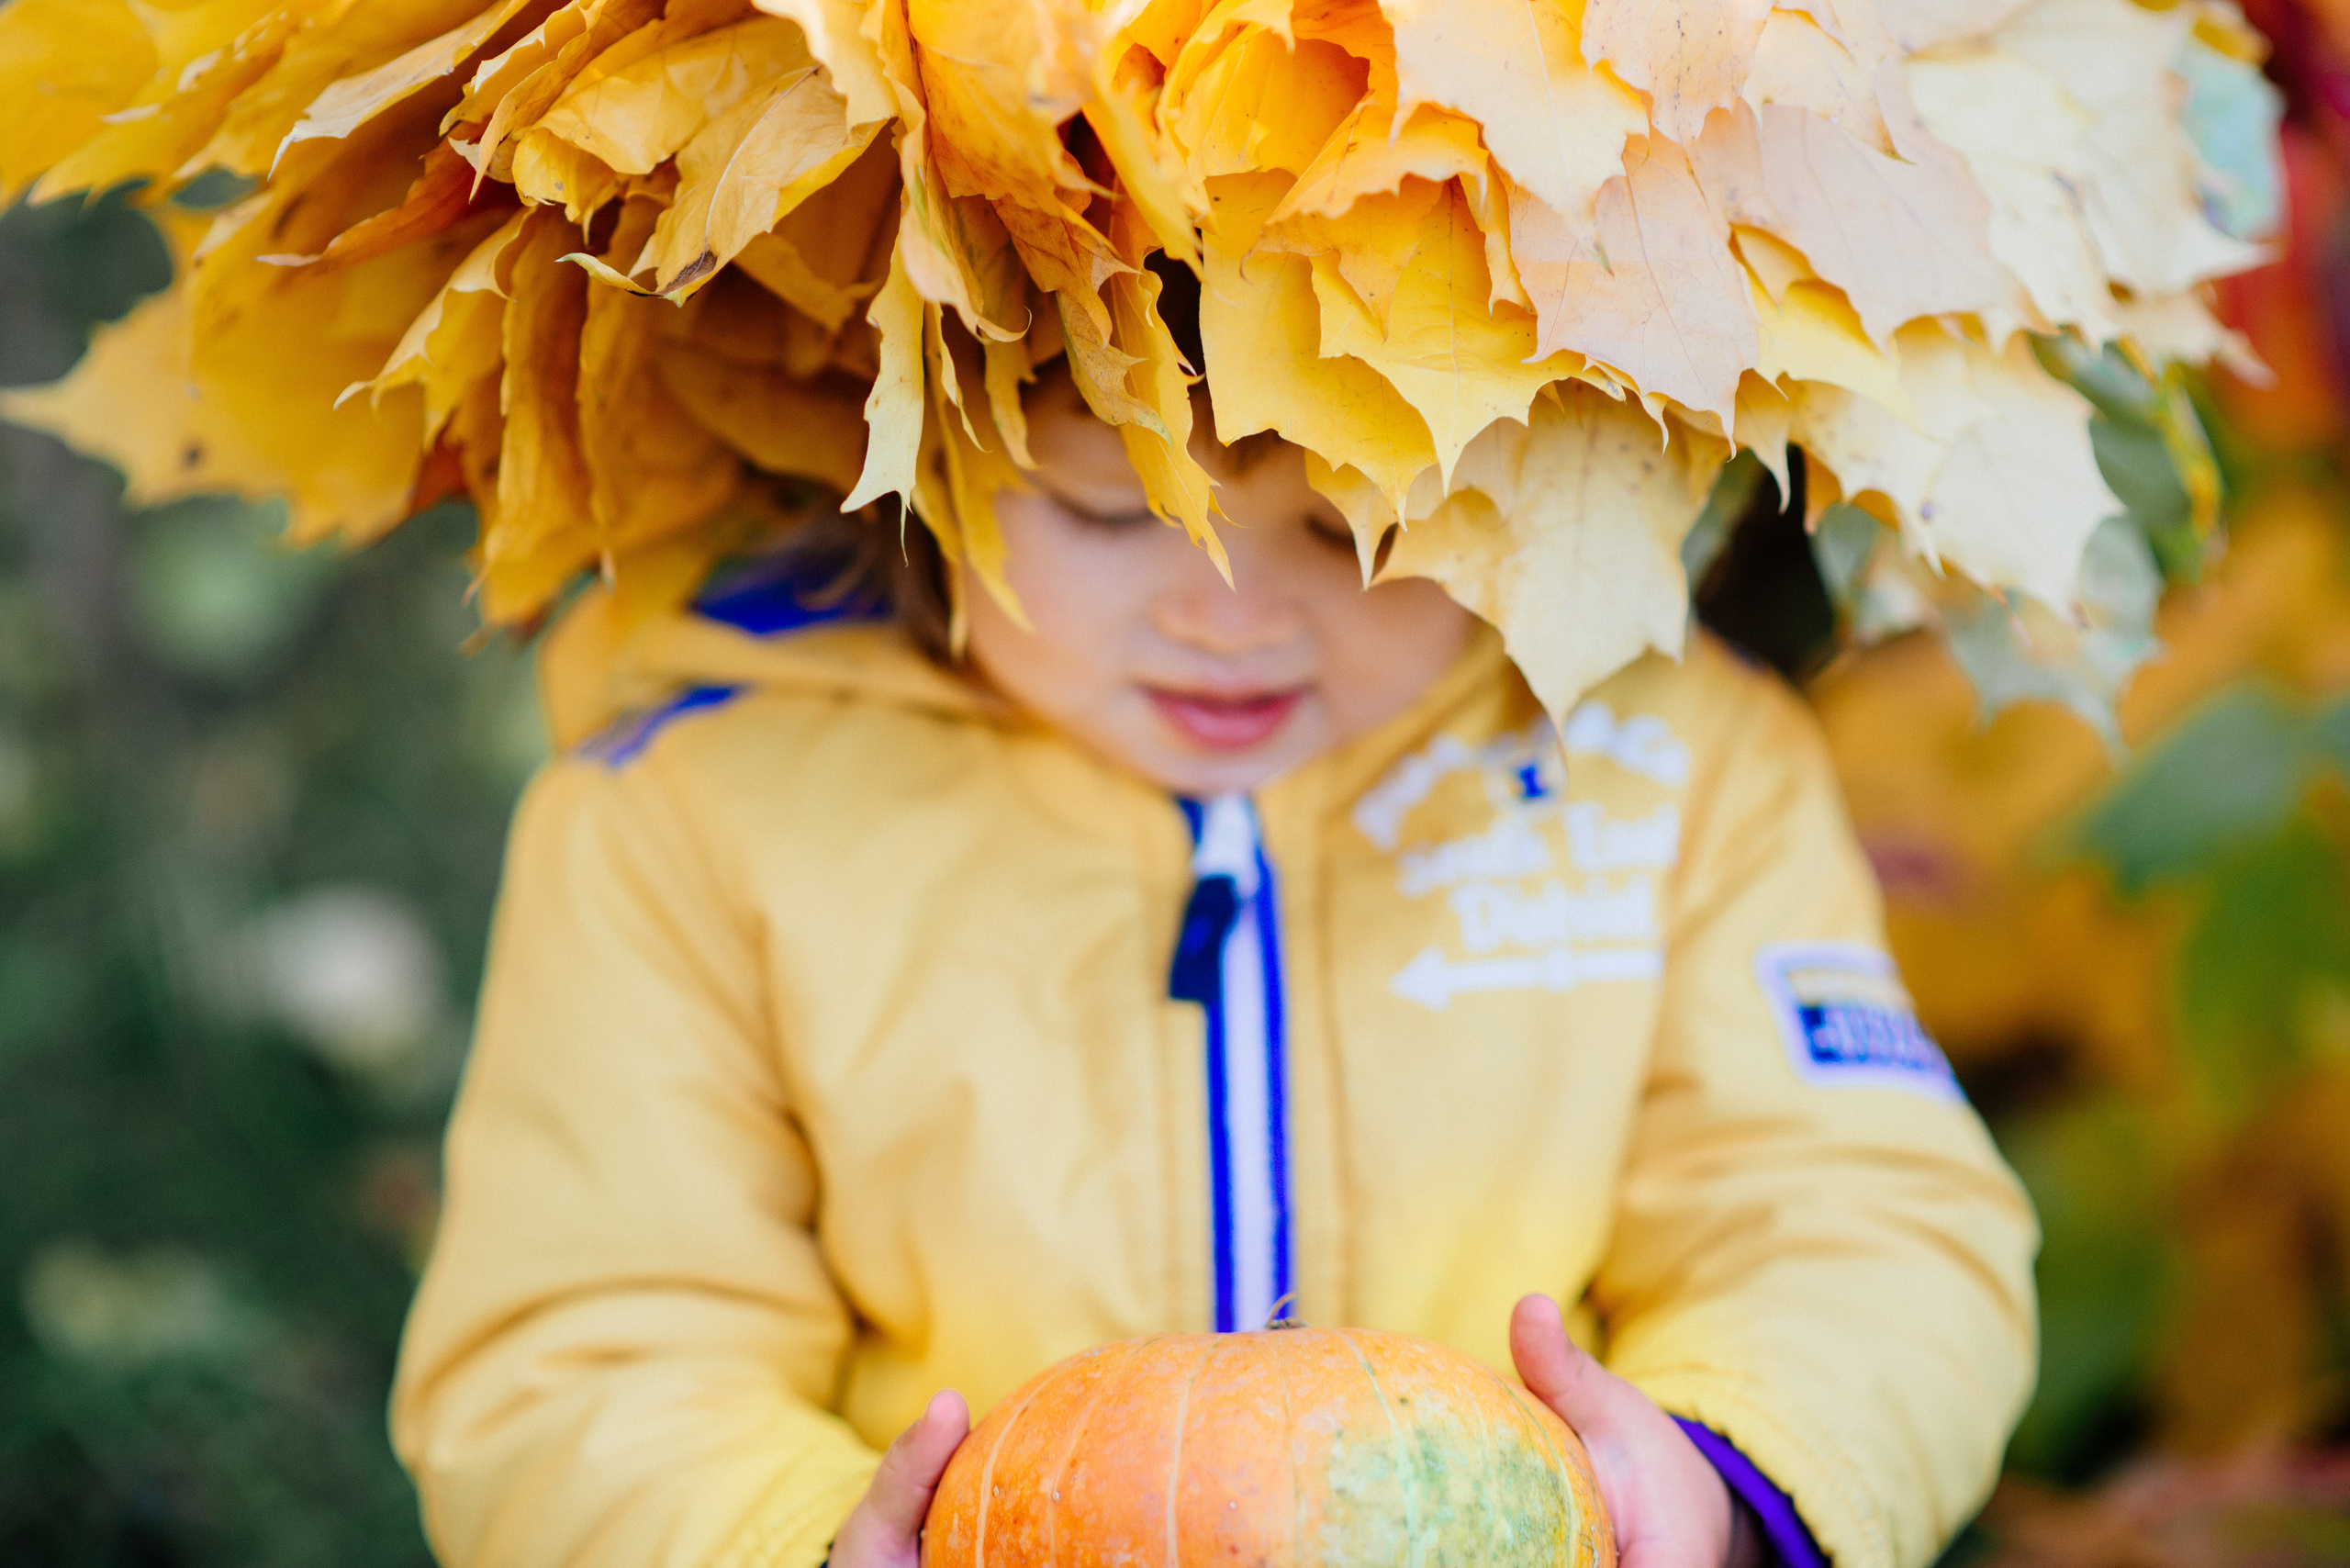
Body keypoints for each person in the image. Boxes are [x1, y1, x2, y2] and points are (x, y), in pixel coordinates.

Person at [388, 268, 2038, 1568]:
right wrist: (793, 1546)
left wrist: (1723, 1474)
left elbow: (1855, 1222)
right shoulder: (694, 809)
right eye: (1111, 513)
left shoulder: (1671, 771)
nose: (1224, 616)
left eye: (1351, 528)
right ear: (907, 449)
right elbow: (591, 1346)